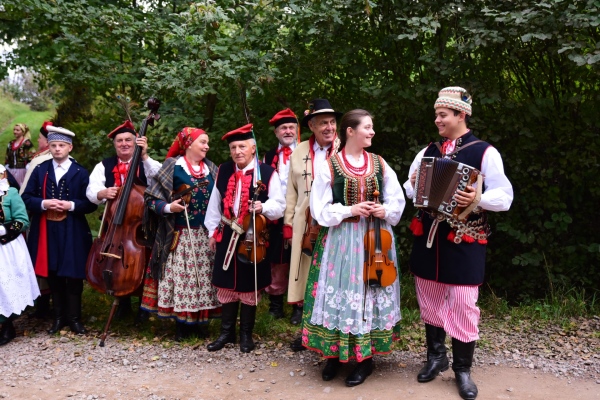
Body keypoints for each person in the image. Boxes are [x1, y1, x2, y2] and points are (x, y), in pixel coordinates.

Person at [404, 87, 513, 400]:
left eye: (443, 115)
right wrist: (414, 184)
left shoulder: (484, 152)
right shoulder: (428, 151)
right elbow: (409, 188)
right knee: (429, 299)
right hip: (429, 237)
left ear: (461, 115)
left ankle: (463, 369)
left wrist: (478, 198)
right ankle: (436, 357)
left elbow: (504, 196)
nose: (437, 120)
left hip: (465, 239)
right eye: (436, 115)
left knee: (464, 303)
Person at [301, 109, 405, 386]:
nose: (372, 132)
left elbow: (397, 199)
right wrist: (350, 209)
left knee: (369, 293)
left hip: (375, 239)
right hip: (341, 241)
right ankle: (333, 356)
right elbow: (319, 209)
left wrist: (384, 210)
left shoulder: (379, 163)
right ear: (350, 131)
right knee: (341, 292)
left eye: (371, 127)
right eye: (367, 127)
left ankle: (365, 360)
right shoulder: (330, 165)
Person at [205, 123, 285, 353]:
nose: (237, 151)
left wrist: (263, 207)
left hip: (253, 235)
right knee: (226, 283)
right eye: (233, 148)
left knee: (249, 284)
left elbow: (280, 206)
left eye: (242, 146)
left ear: (252, 148)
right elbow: (214, 204)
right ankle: (226, 333)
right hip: (227, 233)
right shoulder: (224, 170)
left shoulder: (267, 173)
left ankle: (246, 335)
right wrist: (212, 232)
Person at [141, 127, 220, 341]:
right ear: (189, 144)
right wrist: (169, 207)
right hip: (179, 234)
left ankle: (202, 322)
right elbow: (150, 199)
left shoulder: (212, 168)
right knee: (182, 279)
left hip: (206, 235)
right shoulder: (172, 166)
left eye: (207, 142)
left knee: (205, 279)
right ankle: (182, 325)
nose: (207, 146)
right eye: (203, 142)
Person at [22, 126, 98, 335]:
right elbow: (26, 198)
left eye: (61, 145)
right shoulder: (40, 170)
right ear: (49, 147)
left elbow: (91, 204)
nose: (57, 149)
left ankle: (74, 319)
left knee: (73, 273)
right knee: (53, 272)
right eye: (54, 145)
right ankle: (58, 318)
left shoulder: (80, 172)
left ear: (69, 147)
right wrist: (44, 203)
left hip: (72, 229)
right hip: (47, 228)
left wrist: (71, 205)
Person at [86, 120, 162, 320]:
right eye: (119, 141)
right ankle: (122, 300)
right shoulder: (104, 165)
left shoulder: (146, 163)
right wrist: (102, 193)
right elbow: (91, 191)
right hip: (114, 223)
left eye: (129, 140)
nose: (124, 144)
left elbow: (162, 178)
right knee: (116, 260)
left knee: (144, 260)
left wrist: (144, 156)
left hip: (142, 224)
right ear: (114, 144)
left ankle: (144, 304)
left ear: (136, 142)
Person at [284, 98, 341, 349]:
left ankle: (334, 333)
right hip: (305, 225)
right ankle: (307, 333)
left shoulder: (344, 148)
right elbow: (291, 192)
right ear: (312, 126)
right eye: (323, 123)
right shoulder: (298, 152)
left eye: (332, 122)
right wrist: (288, 225)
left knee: (333, 276)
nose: (329, 127)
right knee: (308, 277)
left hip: (337, 223)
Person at [262, 108, 299, 318]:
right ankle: (276, 304)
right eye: (283, 128)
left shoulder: (305, 153)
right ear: (276, 132)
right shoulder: (267, 157)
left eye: (291, 127)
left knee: (299, 258)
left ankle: (298, 306)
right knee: (277, 258)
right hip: (276, 216)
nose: (288, 131)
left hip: (300, 215)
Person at [0, 165, 40, 346]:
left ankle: (7, 326)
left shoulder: (10, 194)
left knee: (5, 286)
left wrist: (4, 229)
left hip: (7, 247)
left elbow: (22, 220)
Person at [20, 121, 55, 319]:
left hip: (40, 217)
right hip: (49, 215)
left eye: (40, 138)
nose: (39, 141)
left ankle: (43, 305)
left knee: (41, 256)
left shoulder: (40, 161)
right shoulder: (44, 159)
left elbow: (25, 194)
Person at [5, 123, 35, 187]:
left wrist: (28, 167)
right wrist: (6, 166)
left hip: (22, 171)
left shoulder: (27, 143)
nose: (15, 132)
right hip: (11, 170)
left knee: (21, 187)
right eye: (14, 130)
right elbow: (7, 157)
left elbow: (32, 156)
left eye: (17, 130)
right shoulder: (10, 143)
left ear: (23, 132)